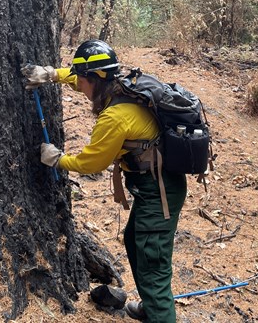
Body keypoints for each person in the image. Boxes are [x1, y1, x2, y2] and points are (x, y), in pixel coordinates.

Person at [21, 39, 187, 322]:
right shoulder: (117, 87)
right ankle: (153, 308)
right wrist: (51, 75)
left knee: (152, 262)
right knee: (136, 242)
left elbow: (92, 163)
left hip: (159, 190)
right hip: (156, 184)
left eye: (83, 80)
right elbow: (78, 78)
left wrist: (57, 158)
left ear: (95, 79)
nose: (80, 86)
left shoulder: (114, 117)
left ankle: (160, 313)